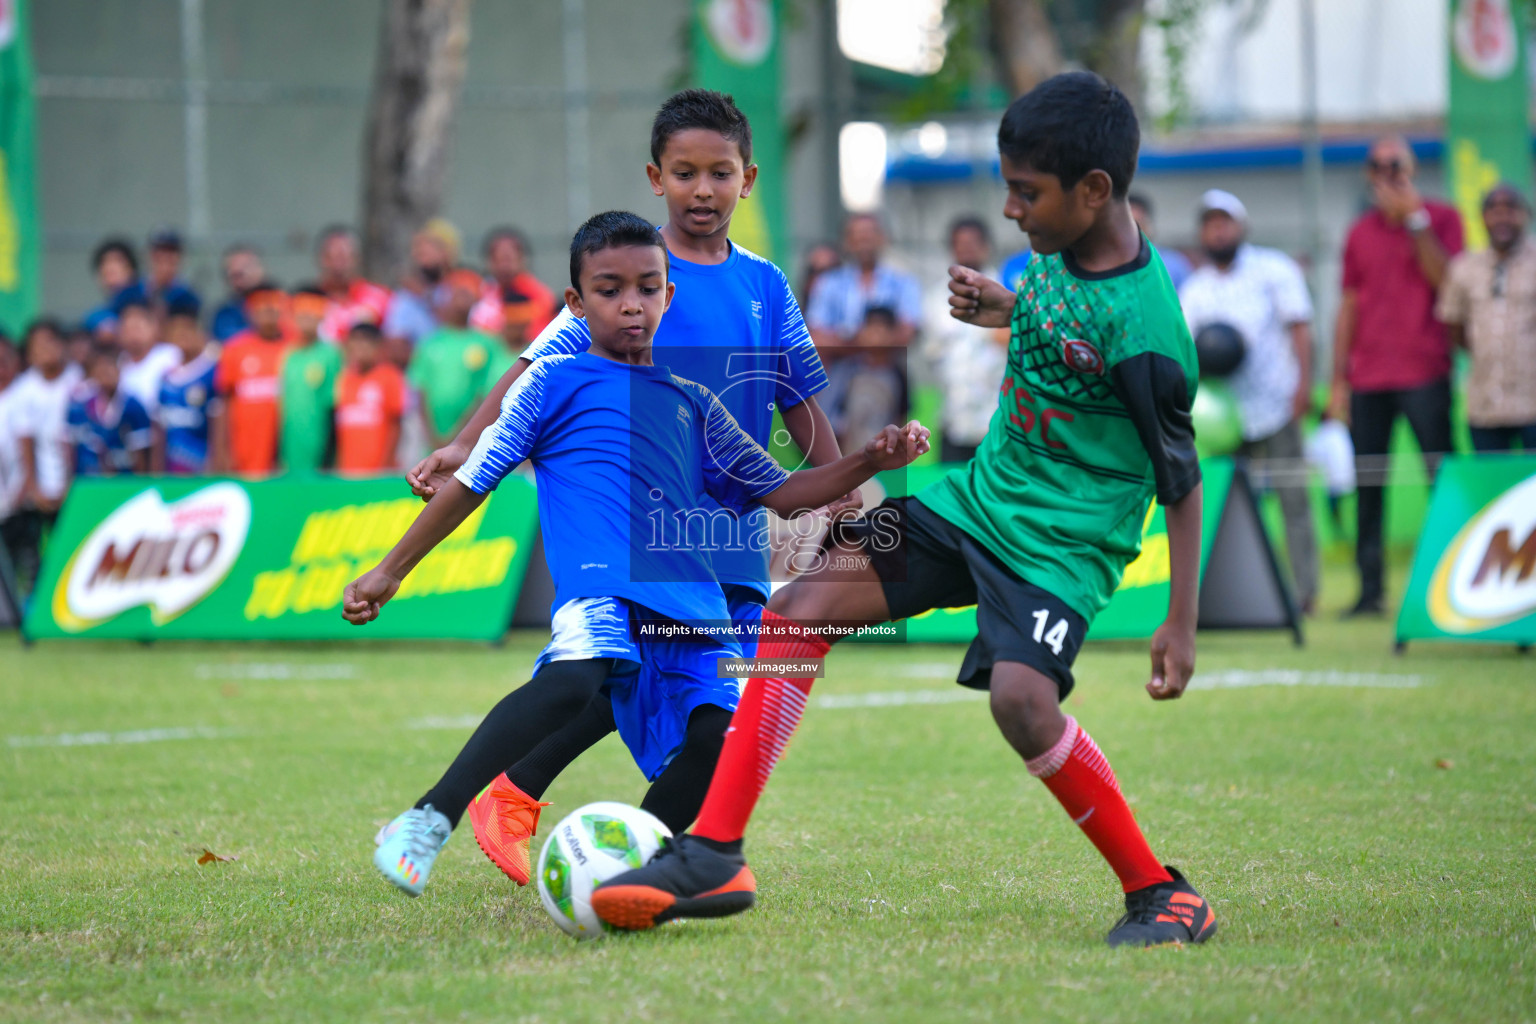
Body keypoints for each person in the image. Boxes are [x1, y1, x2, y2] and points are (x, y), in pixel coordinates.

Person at [591, 72, 1217, 952]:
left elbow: (1181, 480)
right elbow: (1064, 318)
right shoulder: (1053, 255)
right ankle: (713, 852)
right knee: (801, 602)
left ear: (1095, 192)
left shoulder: (1150, 328)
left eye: (1026, 194)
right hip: (974, 504)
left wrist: (1182, 624)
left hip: (1061, 548)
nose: (1010, 210)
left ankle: (1161, 893)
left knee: (1023, 705)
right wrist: (1007, 308)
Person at [348, 210, 926, 896]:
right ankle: (428, 819)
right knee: (577, 677)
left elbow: (785, 493)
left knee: (725, 735)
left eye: (648, 288)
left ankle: (633, 879)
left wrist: (866, 460)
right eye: (609, 289)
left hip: (691, 599)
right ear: (575, 303)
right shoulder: (551, 383)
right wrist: (391, 569)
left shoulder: (694, 401)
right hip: (601, 584)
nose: (631, 304)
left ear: (667, 296)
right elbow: (474, 481)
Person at [403, 89, 847, 888]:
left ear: (747, 179)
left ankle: (604, 840)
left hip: (732, 532)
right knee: (633, 669)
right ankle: (570, 824)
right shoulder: (627, 272)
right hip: (641, 521)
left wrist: (844, 499)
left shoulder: (766, 285)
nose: (703, 190)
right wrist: (464, 440)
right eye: (686, 173)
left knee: (724, 711)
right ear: (657, 178)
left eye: (719, 173)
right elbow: (535, 367)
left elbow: (800, 396)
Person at [1327, 136, 1463, 616]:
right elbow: (1347, 307)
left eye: (1396, 164)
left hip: (1425, 372)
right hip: (1368, 378)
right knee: (1369, 487)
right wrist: (1338, 380)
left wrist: (1416, 222)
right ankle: (1370, 591)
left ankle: (1460, 583)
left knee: (1443, 480)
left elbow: (1446, 282)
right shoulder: (1359, 232)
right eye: (1378, 166)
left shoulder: (1442, 219)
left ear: (1412, 169)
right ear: (1368, 174)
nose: (1387, 173)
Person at [1178, 189, 1318, 613]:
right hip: (1223, 416)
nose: (1217, 230)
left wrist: (1304, 386)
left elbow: (1300, 329)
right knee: (1233, 507)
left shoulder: (1274, 269)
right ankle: (1243, 596)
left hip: (1275, 404)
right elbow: (1186, 348)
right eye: (1210, 223)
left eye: (1225, 222)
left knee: (1293, 500)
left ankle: (1305, 593)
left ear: (1242, 227)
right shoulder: (1197, 287)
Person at [1437, 183, 1536, 452]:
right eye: (1494, 210)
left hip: (1532, 405)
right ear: (1482, 218)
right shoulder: (1464, 268)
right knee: (1495, 489)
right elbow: (1454, 326)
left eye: (1511, 210)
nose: (1502, 217)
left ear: (1526, 216)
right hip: (1485, 406)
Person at [7, 320, 83, 592]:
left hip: (78, 481)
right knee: (41, 552)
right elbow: (26, 442)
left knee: (76, 546)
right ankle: (38, 607)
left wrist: (72, 482)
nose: (46, 350)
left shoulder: (78, 379)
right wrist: (34, 486)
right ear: (29, 355)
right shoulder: (25, 389)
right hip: (43, 486)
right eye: (38, 346)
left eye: (51, 342)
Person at [924, 215, 1008, 462]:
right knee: (952, 492)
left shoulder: (1007, 290)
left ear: (986, 246)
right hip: (953, 418)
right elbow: (933, 355)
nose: (966, 249)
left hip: (997, 418)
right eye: (960, 243)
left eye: (973, 243)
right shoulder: (936, 298)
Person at [407, 269, 496, 452]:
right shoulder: (429, 342)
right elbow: (421, 392)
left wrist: (460, 435)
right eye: (458, 293)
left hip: (471, 443)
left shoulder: (487, 344)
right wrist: (432, 436)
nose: (462, 299)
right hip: (432, 441)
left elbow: (485, 394)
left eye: (467, 293)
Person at [806, 213, 923, 351]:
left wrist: (845, 340)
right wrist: (866, 342)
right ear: (846, 242)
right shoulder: (828, 283)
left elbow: (908, 332)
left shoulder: (903, 282)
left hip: (889, 369)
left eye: (869, 236)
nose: (864, 242)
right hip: (841, 369)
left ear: (882, 238)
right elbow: (816, 335)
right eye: (858, 237)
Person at [215, 283, 294, 475]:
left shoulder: (294, 349)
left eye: (273, 306)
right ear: (250, 311)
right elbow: (224, 403)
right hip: (245, 455)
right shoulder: (235, 349)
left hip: (286, 457)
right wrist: (222, 452)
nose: (268, 312)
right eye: (261, 307)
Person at [280, 285, 345, 472]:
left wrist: (330, 454)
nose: (306, 320)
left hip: (319, 448)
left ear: (321, 316)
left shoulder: (331, 355)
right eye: (301, 314)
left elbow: (334, 407)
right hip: (287, 451)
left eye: (311, 314)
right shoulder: (287, 355)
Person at [827, 306, 908, 455]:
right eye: (870, 326)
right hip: (848, 455)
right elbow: (832, 413)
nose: (875, 334)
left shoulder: (898, 375)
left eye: (881, 328)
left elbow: (901, 416)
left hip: (883, 457)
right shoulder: (847, 370)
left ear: (893, 333)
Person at [154, 300, 220, 475]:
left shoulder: (212, 372)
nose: (182, 334)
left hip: (201, 469)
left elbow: (219, 428)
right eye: (175, 330)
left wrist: (216, 466)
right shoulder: (166, 377)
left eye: (188, 329)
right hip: (170, 470)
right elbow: (159, 430)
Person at [66, 344, 152, 477]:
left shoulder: (133, 406)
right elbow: (70, 450)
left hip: (125, 482)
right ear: (92, 372)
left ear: (120, 369)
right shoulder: (79, 406)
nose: (105, 372)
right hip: (88, 483)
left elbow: (142, 456)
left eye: (110, 366)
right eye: (100, 367)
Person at [333, 322, 406, 474]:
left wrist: (385, 465)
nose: (360, 347)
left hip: (379, 470)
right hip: (348, 470)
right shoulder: (344, 379)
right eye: (355, 341)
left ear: (378, 346)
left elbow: (396, 425)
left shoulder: (390, 376)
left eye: (365, 341)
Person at [383, 220, 459, 353]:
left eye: (431, 247)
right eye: (418, 249)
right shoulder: (406, 296)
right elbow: (394, 341)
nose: (419, 253)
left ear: (447, 253)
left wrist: (425, 296)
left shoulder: (461, 287)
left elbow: (459, 332)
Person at [482, 226, 559, 347]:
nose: (504, 266)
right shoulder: (481, 293)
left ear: (522, 259)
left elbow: (539, 335)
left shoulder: (540, 295)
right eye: (499, 259)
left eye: (508, 259)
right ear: (489, 262)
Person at [315, 226, 391, 344]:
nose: (338, 266)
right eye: (332, 257)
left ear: (357, 259)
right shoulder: (309, 300)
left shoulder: (380, 297)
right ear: (321, 259)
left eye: (343, 257)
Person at [115, 296, 182, 417]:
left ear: (154, 329)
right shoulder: (120, 361)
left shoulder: (170, 355)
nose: (133, 335)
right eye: (127, 330)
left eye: (137, 328)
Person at [1130, 192, 1192, 291]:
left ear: (1149, 224)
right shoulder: (1110, 266)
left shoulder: (1174, 264)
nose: (1135, 232)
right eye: (1129, 226)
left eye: (1139, 224)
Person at [81, 238, 140, 341]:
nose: (109, 267)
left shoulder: (148, 301)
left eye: (117, 261)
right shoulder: (93, 319)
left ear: (132, 269)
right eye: (104, 263)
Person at [209, 244, 266, 342]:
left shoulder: (282, 305)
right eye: (232, 270)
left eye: (246, 266)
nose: (238, 271)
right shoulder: (224, 315)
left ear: (260, 269)